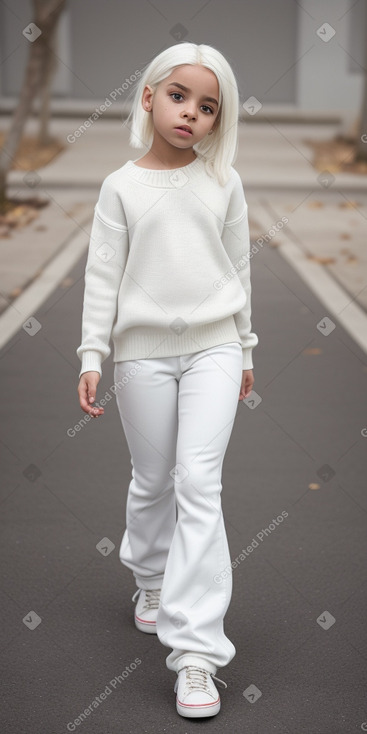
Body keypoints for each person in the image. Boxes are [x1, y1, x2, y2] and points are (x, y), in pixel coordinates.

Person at [76, 41, 258, 719]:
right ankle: (150, 579)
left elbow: (238, 268)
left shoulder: (224, 183)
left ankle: (195, 654)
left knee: (196, 482)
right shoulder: (120, 187)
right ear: (148, 97)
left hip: (212, 346)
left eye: (207, 107)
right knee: (152, 479)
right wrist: (92, 355)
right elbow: (102, 275)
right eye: (179, 96)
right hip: (142, 355)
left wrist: (243, 350)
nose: (191, 114)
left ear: (217, 121)